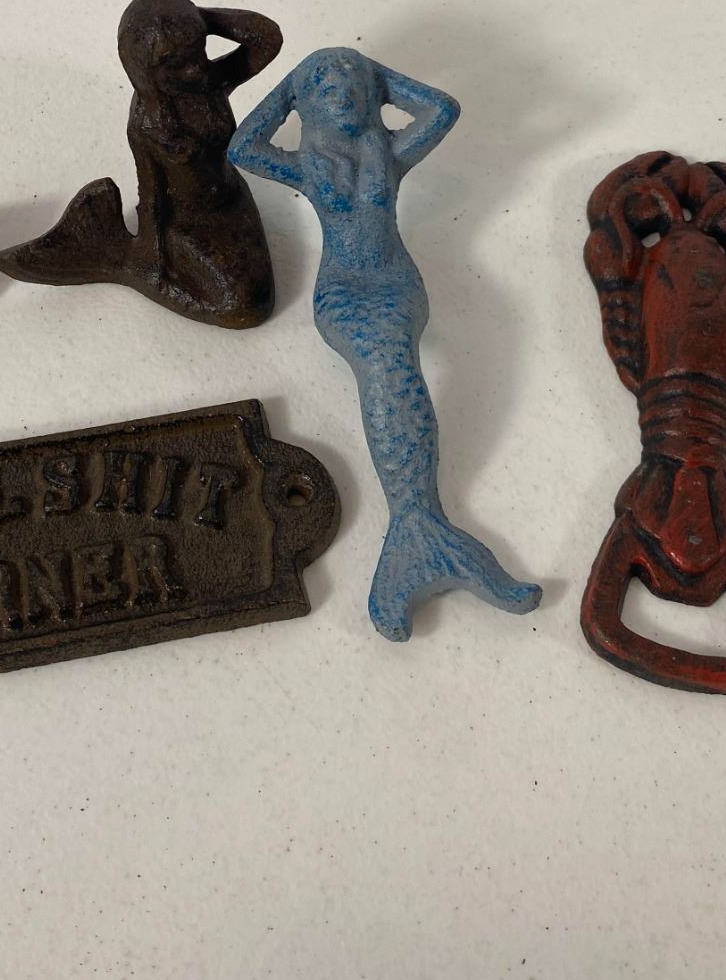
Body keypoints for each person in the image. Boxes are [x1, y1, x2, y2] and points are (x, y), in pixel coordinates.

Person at [230, 46, 541, 638]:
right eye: (326, 91)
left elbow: (442, 109)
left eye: (354, 89)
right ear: (307, 105)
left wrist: (377, 77)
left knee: (396, 363)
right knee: (384, 364)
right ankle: (418, 529)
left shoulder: (389, 153)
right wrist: (291, 86)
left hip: (396, 282)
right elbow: (243, 147)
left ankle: (420, 530)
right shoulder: (307, 166)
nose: (343, 98)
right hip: (343, 289)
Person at [0, 0, 281, 328]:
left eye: (198, 52)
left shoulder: (211, 83)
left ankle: (120, 259)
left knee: (257, 298)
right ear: (145, 71)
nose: (193, 70)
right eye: (176, 65)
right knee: (241, 308)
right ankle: (121, 264)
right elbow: (152, 195)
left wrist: (196, 17)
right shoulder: (148, 124)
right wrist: (150, 255)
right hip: (184, 223)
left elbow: (267, 39)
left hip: (232, 201)